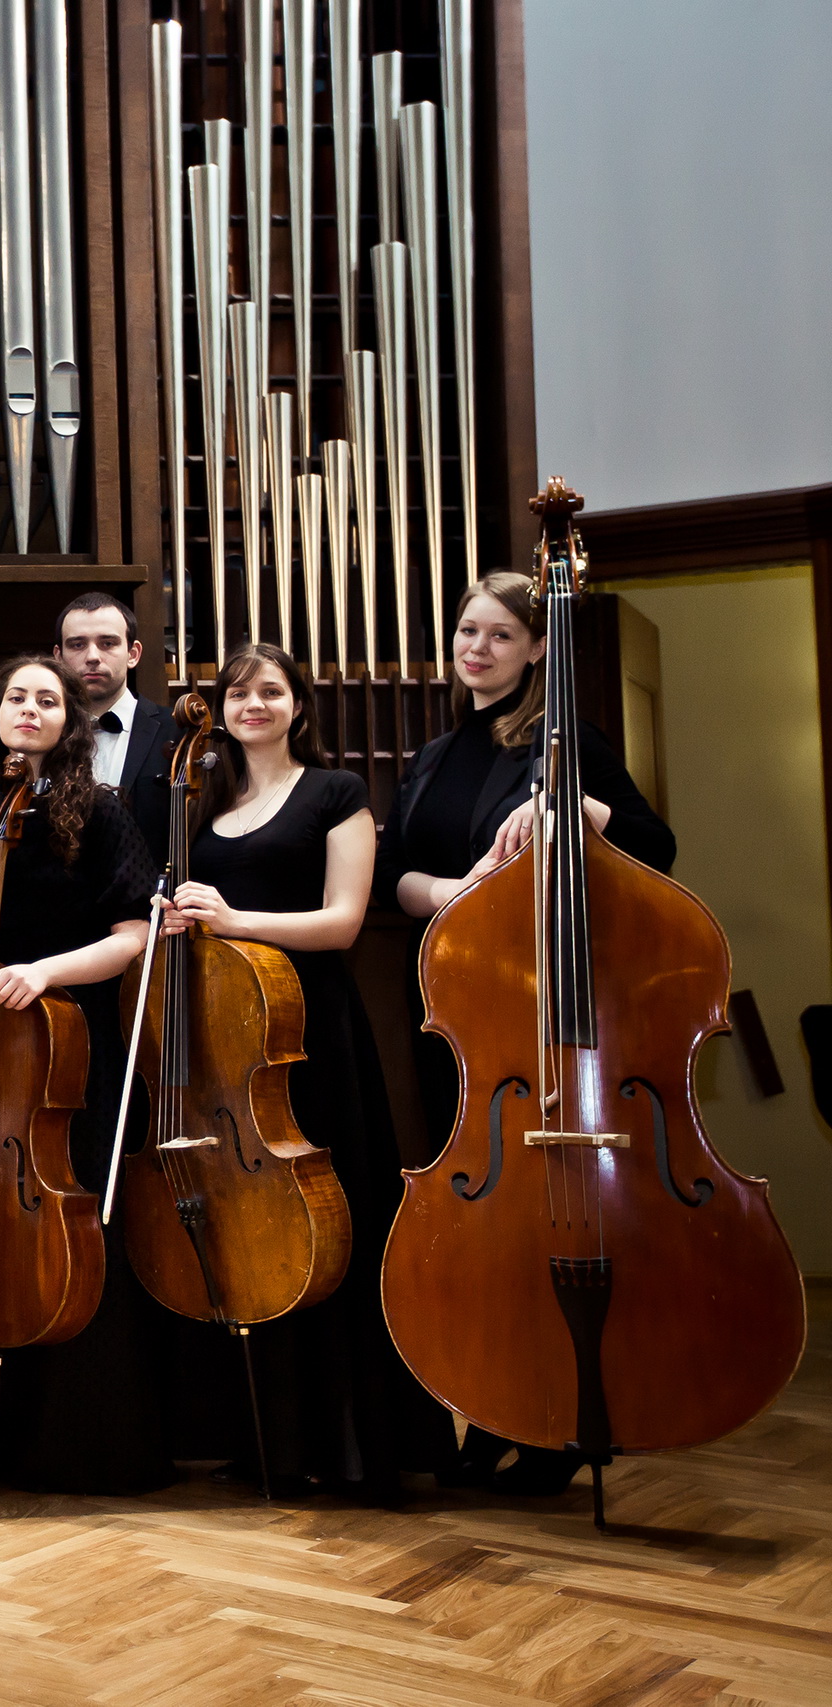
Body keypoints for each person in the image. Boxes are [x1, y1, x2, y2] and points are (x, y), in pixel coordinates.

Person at [373, 570, 674, 1497]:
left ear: (539, 647)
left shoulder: (568, 742)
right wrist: (454, 889)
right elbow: (395, 875)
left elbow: (655, 847)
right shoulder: (432, 755)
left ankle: (563, 1413)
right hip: (460, 1016)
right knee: (489, 1228)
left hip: (545, 1017)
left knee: (553, 1219)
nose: (478, 648)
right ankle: (496, 1406)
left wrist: (576, 806)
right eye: (469, 630)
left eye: (501, 634)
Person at [156, 643, 455, 1502]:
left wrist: (231, 916)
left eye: (270, 690)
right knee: (254, 1234)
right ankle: (269, 1441)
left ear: (299, 705)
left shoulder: (336, 792)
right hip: (230, 1042)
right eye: (237, 692)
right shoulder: (203, 799)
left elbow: (343, 921)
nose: (252, 704)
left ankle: (356, 1444)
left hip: (309, 1031)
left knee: (332, 1228)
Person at [0, 654, 168, 1495]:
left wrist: (43, 972)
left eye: (48, 699)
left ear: (69, 721)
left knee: (77, 1229)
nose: (30, 709)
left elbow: (133, 935)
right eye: (17, 697)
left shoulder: (101, 811)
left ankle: (84, 1442)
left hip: (69, 1043)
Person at [55, 591, 170, 857]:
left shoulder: (176, 730)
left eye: (107, 643)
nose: (92, 656)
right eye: (77, 645)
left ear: (133, 653)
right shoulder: (40, 735)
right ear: (58, 657)